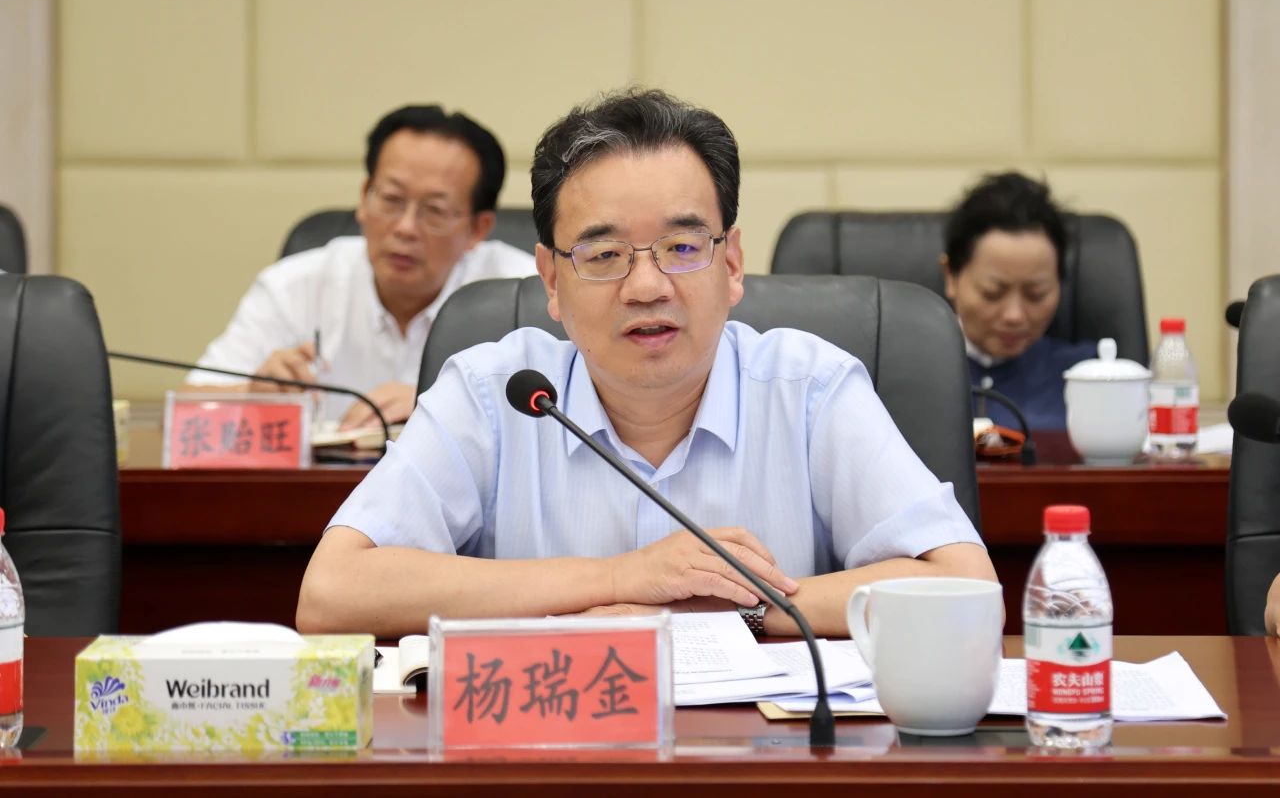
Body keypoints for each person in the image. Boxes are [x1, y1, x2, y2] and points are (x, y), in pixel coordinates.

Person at [297, 89, 995, 639]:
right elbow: (331, 592)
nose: (646, 286)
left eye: (682, 248)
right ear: (551, 281)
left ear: (732, 263)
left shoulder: (809, 389)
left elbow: (966, 585)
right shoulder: (492, 393)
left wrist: (735, 609)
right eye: (604, 255)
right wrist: (620, 579)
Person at [184, 105, 537, 428]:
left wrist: (442, 403)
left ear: (478, 228)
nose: (405, 228)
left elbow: (563, 414)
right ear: (364, 198)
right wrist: (251, 395)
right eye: (391, 199)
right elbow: (186, 410)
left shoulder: (525, 297)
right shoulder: (294, 286)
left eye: (434, 210)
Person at [941, 172, 1096, 431]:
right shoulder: (901, 373)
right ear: (951, 277)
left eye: (1036, 294)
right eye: (992, 293)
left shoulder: (1089, 378)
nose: (1014, 315)